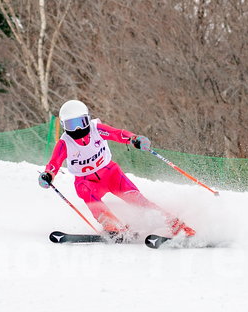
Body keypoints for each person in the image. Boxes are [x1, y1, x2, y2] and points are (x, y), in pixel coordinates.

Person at [38, 99, 195, 240]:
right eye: (72, 125)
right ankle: (114, 227)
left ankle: (176, 226)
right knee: (88, 196)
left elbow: (118, 134)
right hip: (86, 181)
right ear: (65, 126)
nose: (78, 129)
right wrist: (48, 175)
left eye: (81, 122)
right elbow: (54, 163)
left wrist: (134, 139)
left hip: (111, 174)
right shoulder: (65, 143)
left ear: (88, 118)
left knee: (137, 199)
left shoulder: (96, 129)